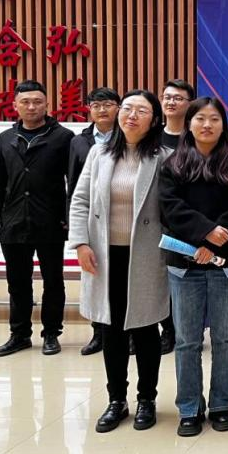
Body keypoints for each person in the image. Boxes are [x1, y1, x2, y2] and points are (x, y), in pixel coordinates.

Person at [68, 89, 170, 433]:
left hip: (146, 254)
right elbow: (80, 200)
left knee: (145, 328)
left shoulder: (164, 158)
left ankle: (147, 399)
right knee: (110, 328)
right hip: (104, 254)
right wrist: (81, 243)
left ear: (154, 120)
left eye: (141, 110)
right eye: (127, 109)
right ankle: (116, 400)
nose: (132, 116)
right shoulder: (99, 153)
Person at [161, 97, 228, 437]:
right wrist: (203, 234)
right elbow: (169, 207)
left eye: (214, 119)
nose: (207, 125)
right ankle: (189, 407)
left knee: (225, 338)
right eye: (200, 118)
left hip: (227, 264)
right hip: (184, 264)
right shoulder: (173, 164)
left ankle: (222, 404)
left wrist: (212, 241)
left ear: (223, 125)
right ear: (189, 123)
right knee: (187, 340)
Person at [0, 80, 74, 358]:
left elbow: (73, 182)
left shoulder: (63, 137)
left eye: (37, 101)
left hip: (50, 220)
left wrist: (69, 217)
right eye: (25, 102)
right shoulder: (6, 138)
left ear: (47, 104)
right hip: (13, 220)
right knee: (17, 282)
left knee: (53, 280)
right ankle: (19, 334)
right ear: (15, 105)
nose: (32, 107)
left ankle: (51, 333)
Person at [68, 86, 122, 356]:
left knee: (123, 283)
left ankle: (127, 335)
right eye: (96, 105)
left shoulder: (129, 137)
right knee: (96, 279)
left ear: (118, 108)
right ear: (89, 109)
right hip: (93, 222)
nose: (102, 110)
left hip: (122, 220)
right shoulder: (79, 142)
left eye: (108, 104)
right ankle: (98, 333)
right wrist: (76, 229)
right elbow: (74, 186)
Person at [157, 78, 197, 354]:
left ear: (190, 104)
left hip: (189, 220)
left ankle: (187, 329)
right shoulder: (152, 137)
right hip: (155, 220)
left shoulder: (196, 137)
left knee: (185, 277)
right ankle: (167, 329)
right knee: (159, 277)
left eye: (178, 98)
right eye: (167, 97)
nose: (171, 102)